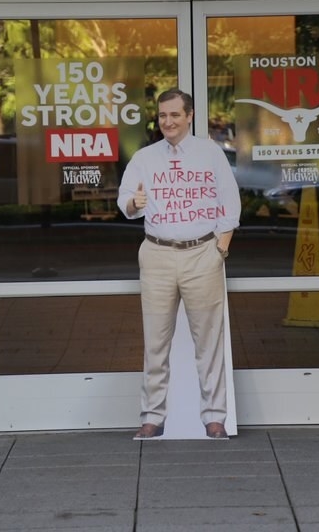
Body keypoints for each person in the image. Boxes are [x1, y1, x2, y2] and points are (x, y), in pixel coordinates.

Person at [117, 88, 241, 439]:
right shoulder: (144, 157)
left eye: (174, 115)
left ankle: (215, 418)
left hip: (202, 253)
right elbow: (124, 201)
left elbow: (230, 204)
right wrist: (134, 202)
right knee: (155, 341)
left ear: (189, 116)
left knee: (209, 340)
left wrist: (221, 250)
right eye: (162, 116)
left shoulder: (210, 153)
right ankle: (152, 419)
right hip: (157, 254)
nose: (167, 121)